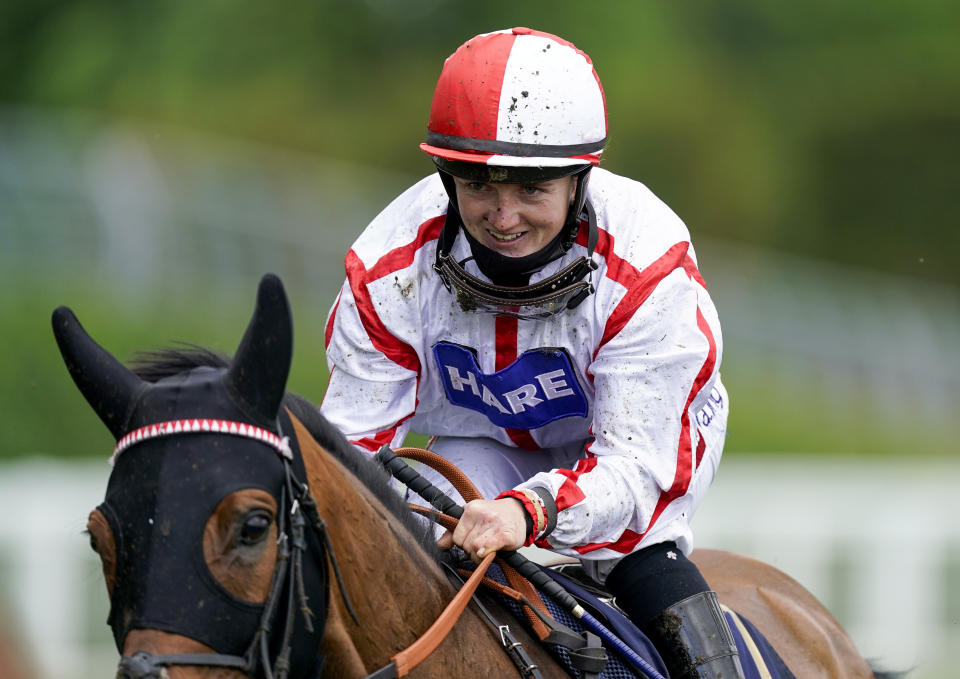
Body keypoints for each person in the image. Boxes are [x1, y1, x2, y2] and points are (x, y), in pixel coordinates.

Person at [320, 27, 742, 679]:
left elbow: (632, 467)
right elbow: (349, 458)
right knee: (395, 553)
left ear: (579, 181)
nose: (503, 215)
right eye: (479, 185)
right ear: (446, 174)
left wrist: (531, 508)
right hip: (478, 441)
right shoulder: (388, 270)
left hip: (628, 453)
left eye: (531, 189)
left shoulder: (649, 265)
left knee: (630, 553)